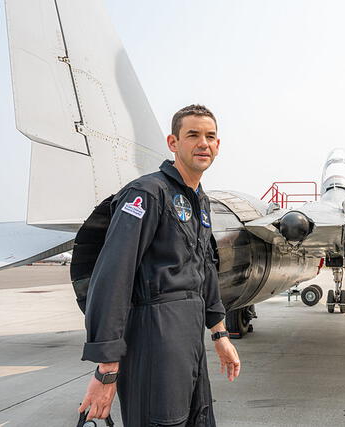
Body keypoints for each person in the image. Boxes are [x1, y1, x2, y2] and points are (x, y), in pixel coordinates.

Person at [78, 105, 240, 426]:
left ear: (218, 146)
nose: (203, 143)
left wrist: (219, 333)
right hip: (154, 338)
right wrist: (107, 369)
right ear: (173, 142)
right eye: (192, 135)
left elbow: (204, 269)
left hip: (189, 340)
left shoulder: (199, 201)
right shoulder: (148, 194)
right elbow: (113, 277)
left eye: (210, 137)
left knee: (197, 419)